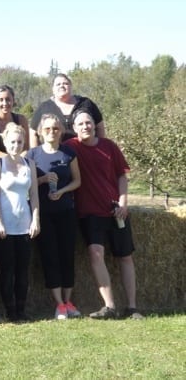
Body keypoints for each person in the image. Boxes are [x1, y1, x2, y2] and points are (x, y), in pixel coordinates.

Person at [65, 110, 142, 319]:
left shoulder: (109, 146)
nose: (85, 127)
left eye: (88, 122)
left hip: (116, 210)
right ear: (74, 128)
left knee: (125, 257)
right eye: (80, 124)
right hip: (89, 213)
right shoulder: (70, 148)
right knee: (95, 254)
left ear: (94, 125)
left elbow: (122, 176)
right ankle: (109, 307)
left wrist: (124, 203)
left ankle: (132, 308)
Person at [27, 114, 81, 319]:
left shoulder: (69, 153)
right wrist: (42, 179)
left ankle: (68, 302)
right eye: (47, 129)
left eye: (56, 129)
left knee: (67, 256)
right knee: (50, 257)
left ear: (61, 131)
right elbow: (27, 185)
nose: (52, 132)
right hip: (44, 214)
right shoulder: (32, 155)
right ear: (40, 132)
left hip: (66, 212)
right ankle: (58, 304)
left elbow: (77, 181)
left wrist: (63, 190)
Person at [0, 123, 40, 321]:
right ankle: (10, 311)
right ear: (5, 142)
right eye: (12, 142)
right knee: (7, 269)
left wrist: (36, 220)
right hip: (4, 226)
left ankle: (21, 310)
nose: (16, 145)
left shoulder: (30, 165)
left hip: (24, 225)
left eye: (19, 142)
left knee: (22, 270)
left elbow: (34, 194)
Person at [30, 73, 105, 147]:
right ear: (53, 89)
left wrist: (100, 147)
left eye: (65, 83)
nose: (62, 86)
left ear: (71, 86)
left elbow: (100, 127)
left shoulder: (86, 103)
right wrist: (35, 154)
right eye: (58, 84)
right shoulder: (44, 107)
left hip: (85, 151)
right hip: (56, 153)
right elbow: (33, 133)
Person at [0, 85, 30, 157]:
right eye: (1, 100)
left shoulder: (21, 120)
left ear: (13, 100)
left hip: (18, 163)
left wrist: (18, 161)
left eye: (8, 99)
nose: (5, 103)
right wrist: (9, 159)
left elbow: (26, 149)